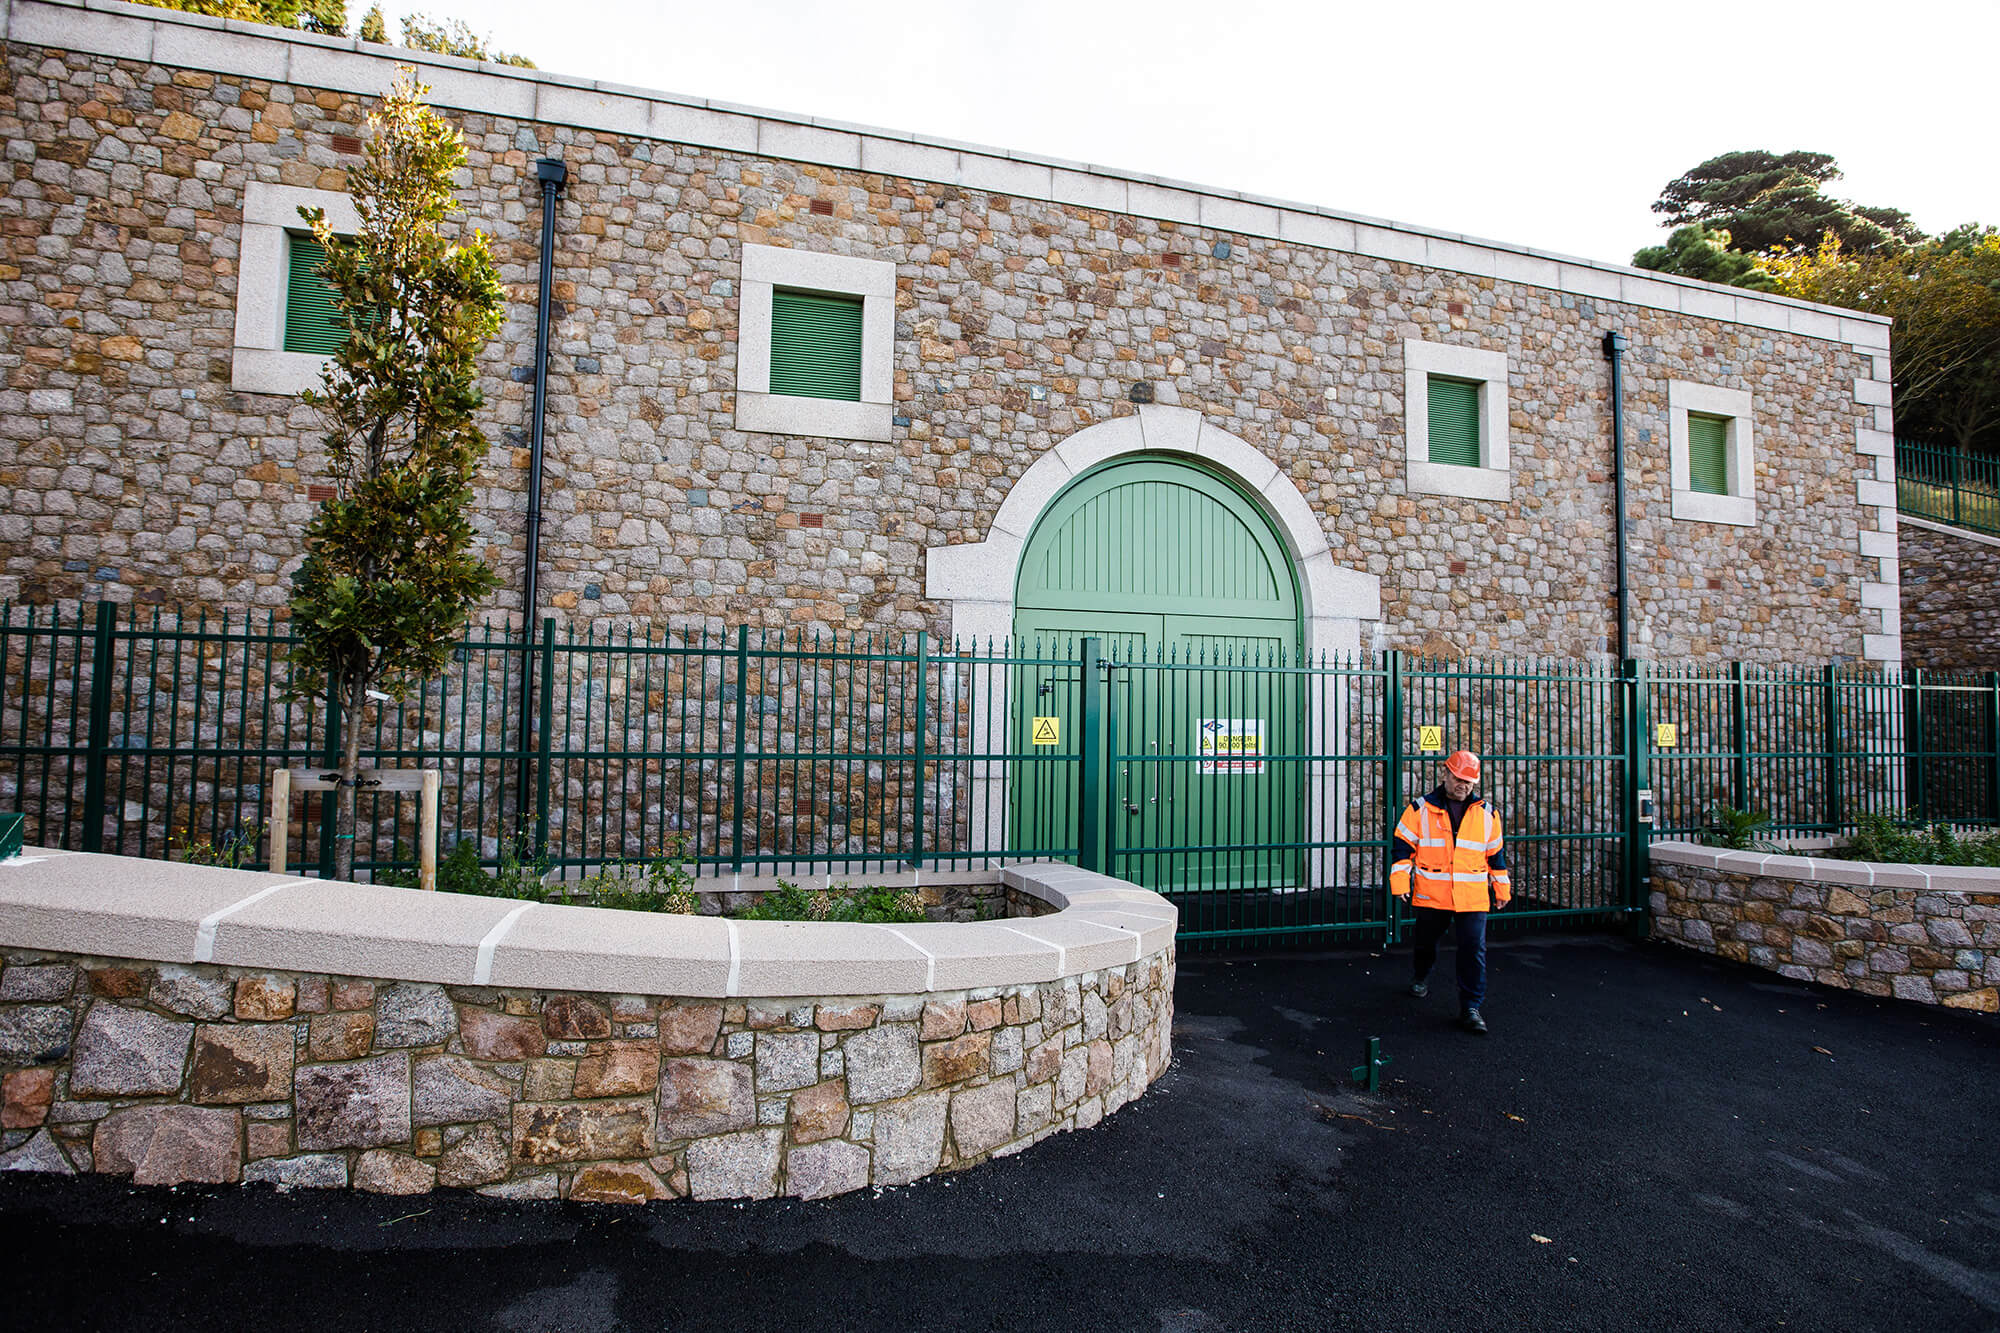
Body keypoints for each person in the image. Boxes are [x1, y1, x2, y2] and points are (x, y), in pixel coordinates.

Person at [1389, 749, 1510, 1034]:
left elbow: (1496, 855)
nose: (1463, 785)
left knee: (1473, 950)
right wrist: (1400, 883)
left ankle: (1471, 1007)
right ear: (1446, 774)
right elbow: (1402, 847)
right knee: (1426, 942)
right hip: (1434, 894)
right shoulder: (1419, 810)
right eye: (1458, 779)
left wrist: (1501, 888)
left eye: (1469, 781)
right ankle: (1421, 974)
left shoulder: (1488, 814)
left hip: (1472, 896)